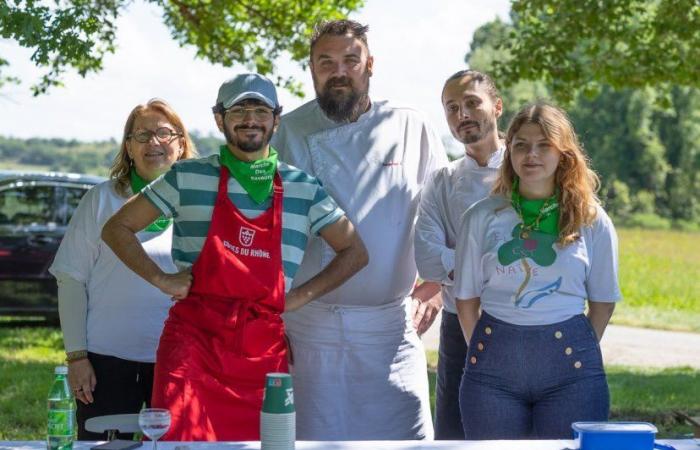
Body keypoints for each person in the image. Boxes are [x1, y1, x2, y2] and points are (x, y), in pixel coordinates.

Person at [101, 73, 368, 441]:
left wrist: (298, 297)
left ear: (276, 118)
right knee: (176, 444)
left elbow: (354, 251)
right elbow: (117, 228)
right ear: (219, 118)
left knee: (266, 443)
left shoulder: (303, 188)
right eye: (239, 108)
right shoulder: (186, 176)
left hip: (263, 353)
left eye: (260, 109)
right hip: (192, 346)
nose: (250, 118)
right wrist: (161, 279)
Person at [271, 20, 448, 440]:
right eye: (326, 62)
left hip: (389, 328)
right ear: (311, 69)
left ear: (370, 65)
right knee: (310, 442)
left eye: (351, 60)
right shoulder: (288, 132)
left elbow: (445, 210)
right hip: (307, 327)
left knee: (404, 440)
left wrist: (437, 283)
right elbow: (265, 227)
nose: (339, 71)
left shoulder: (409, 125)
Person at [454, 102, 620, 439]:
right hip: (491, 373)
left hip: (572, 370)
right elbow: (466, 300)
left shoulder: (591, 219)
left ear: (564, 154)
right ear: (509, 151)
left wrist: (573, 348)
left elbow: (603, 302)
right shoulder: (481, 216)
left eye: (544, 145)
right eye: (521, 145)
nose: (532, 154)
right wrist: (494, 353)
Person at [49, 99, 197, 439]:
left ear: (181, 143)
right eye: (142, 135)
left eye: (164, 133)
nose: (153, 143)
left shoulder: (200, 204)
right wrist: (77, 358)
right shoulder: (100, 201)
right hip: (106, 362)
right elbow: (70, 279)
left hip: (181, 360)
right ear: (128, 147)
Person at [414, 69, 504, 439]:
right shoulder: (442, 180)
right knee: (455, 433)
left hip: (526, 323)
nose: (461, 114)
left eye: (471, 103)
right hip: (455, 330)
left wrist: (459, 262)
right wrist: (496, 265)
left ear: (497, 106)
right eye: (452, 108)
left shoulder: (533, 171)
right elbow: (428, 260)